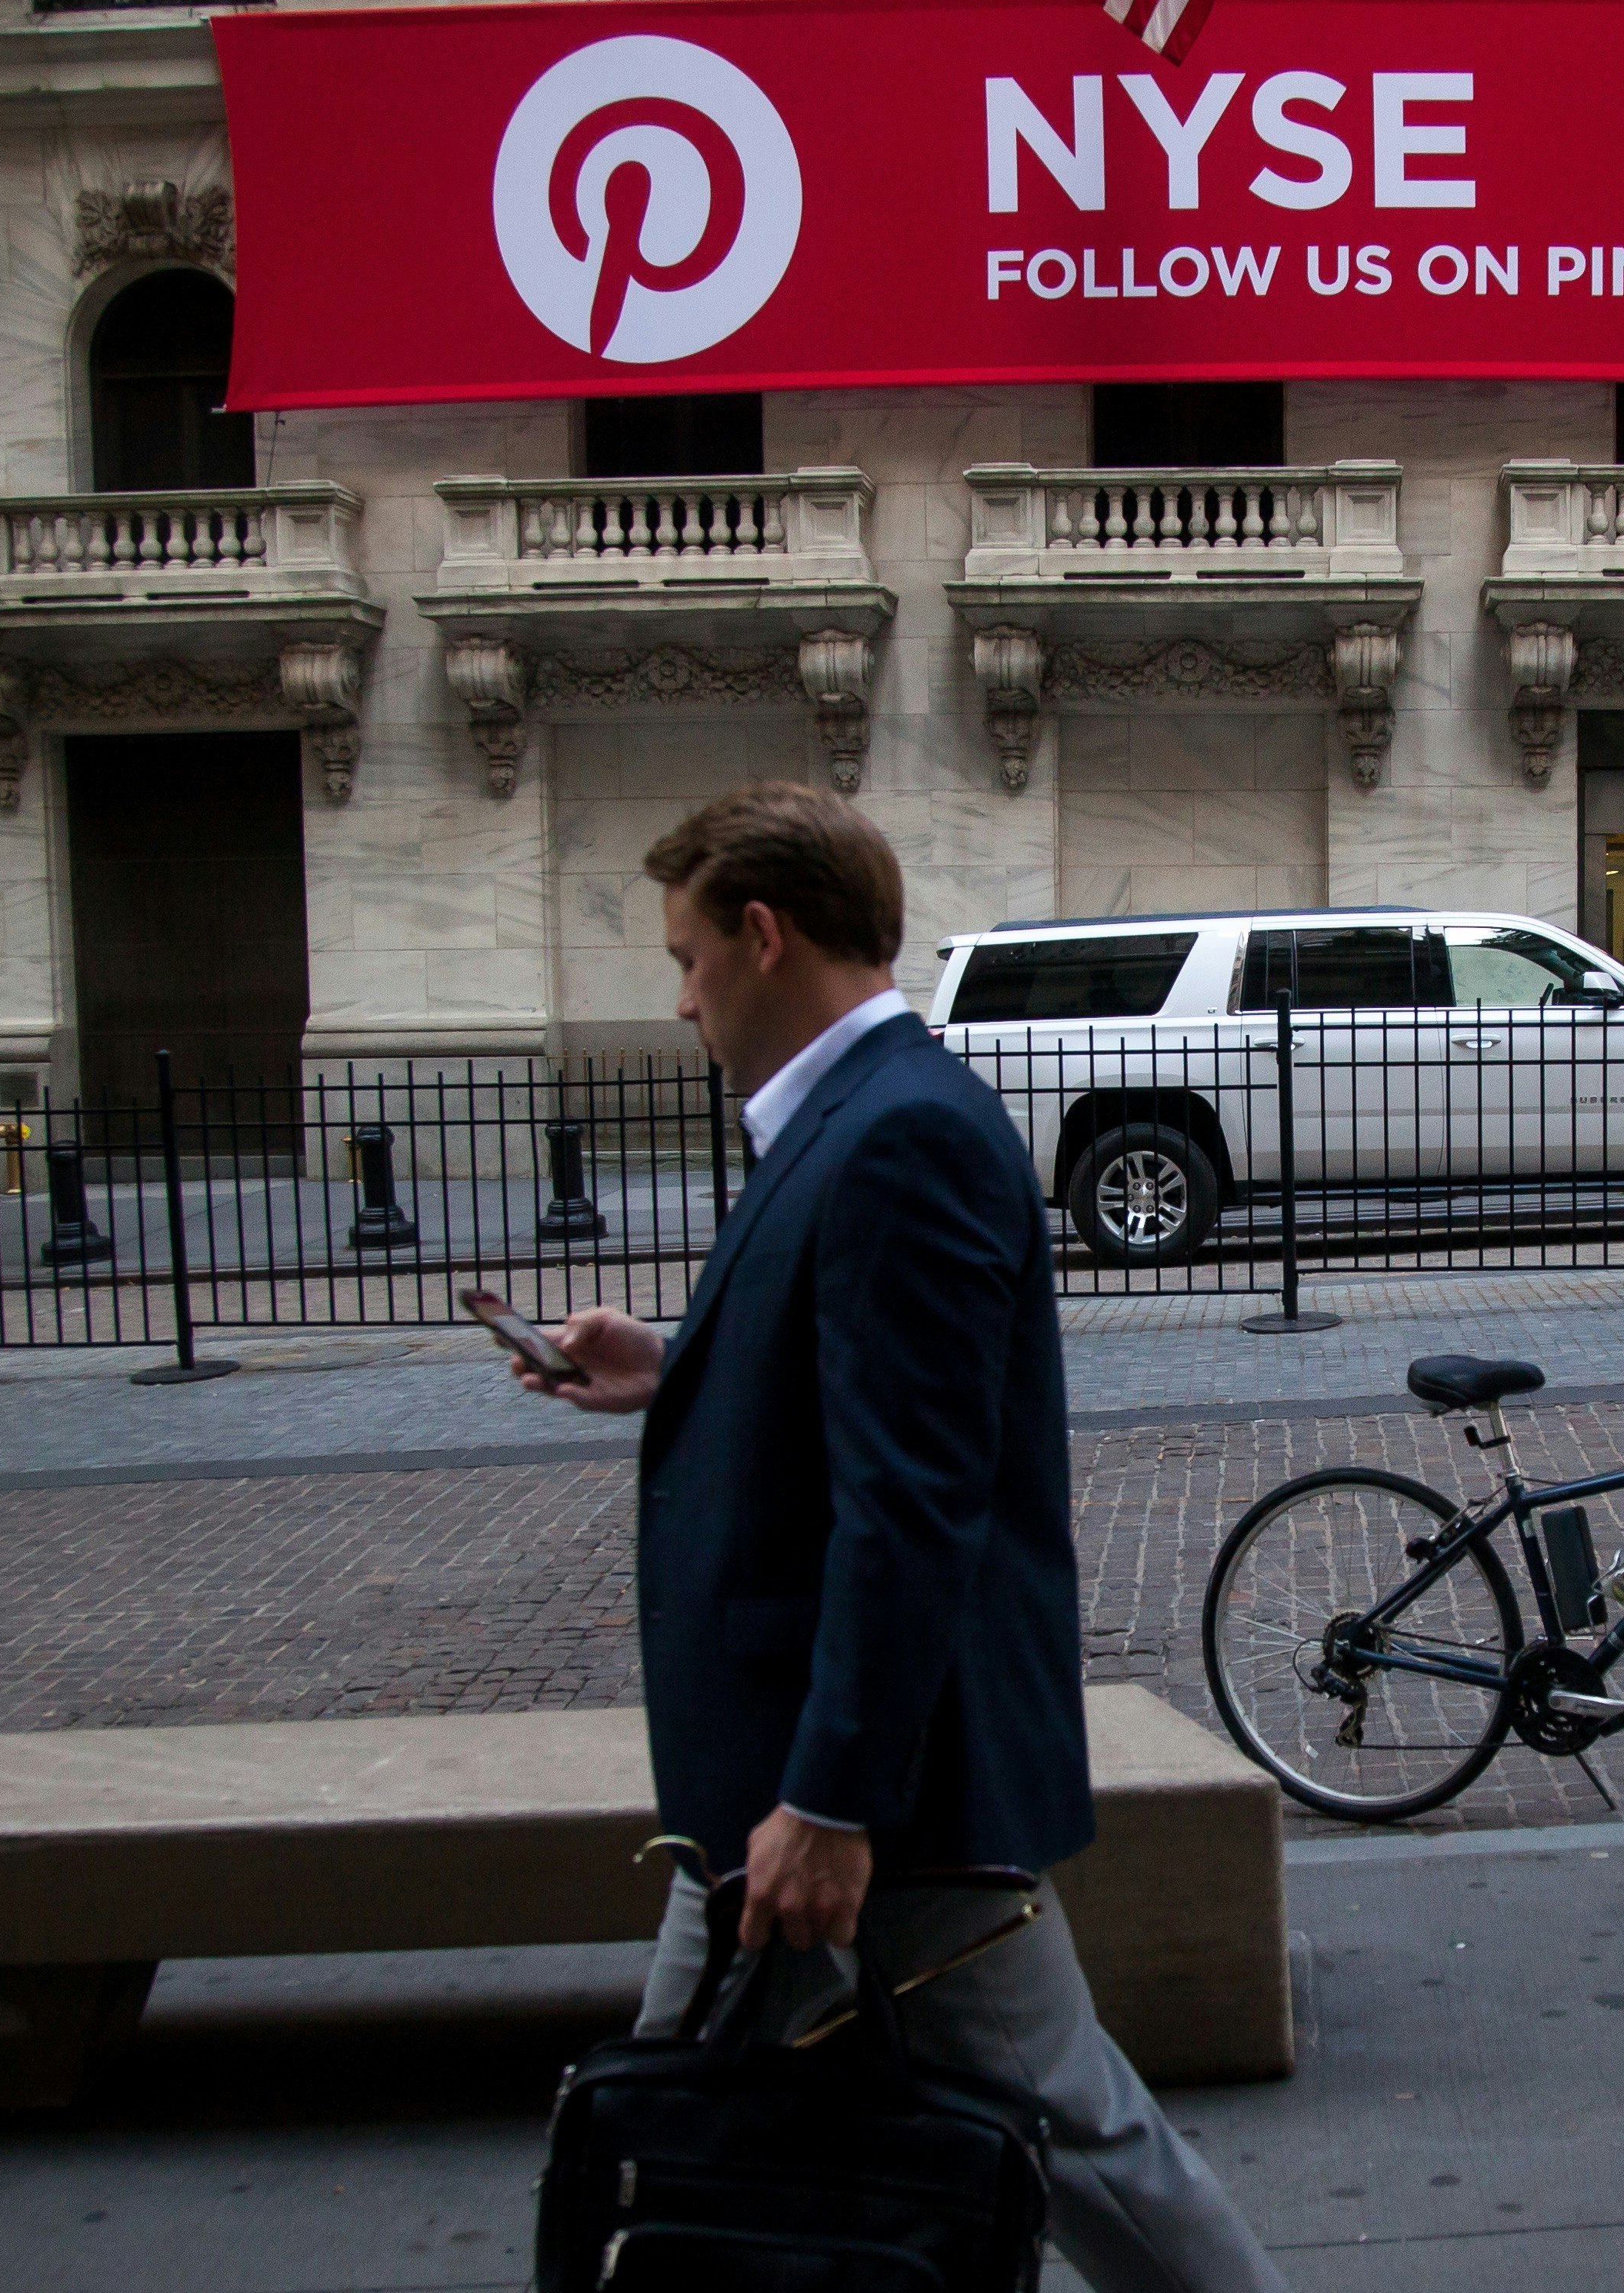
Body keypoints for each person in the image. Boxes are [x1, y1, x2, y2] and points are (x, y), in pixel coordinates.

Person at [530, 782, 1285, 2293]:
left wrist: (832, 1794)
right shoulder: (859, 1120)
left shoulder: (899, 1135)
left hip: (877, 1798)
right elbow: (862, 1396)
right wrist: (678, 1366)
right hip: (797, 1781)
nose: (678, 1000)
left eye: (685, 957)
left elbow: (914, 1494)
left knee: (1066, 2134)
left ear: (763, 934)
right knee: (671, 2109)